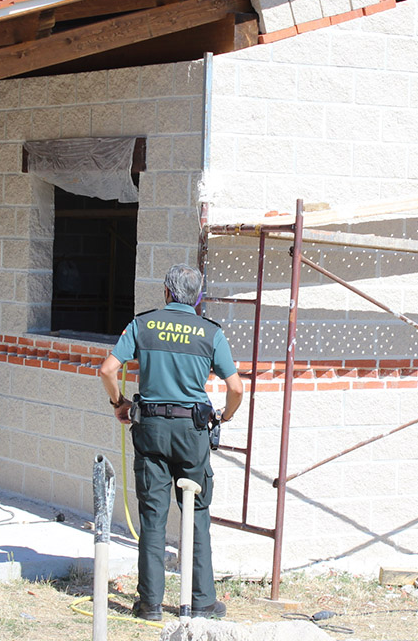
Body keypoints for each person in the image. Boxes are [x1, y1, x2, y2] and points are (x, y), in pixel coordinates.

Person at [100, 264, 244, 621]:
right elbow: (237, 388)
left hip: (150, 429)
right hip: (192, 432)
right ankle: (203, 602)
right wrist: (224, 417)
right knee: (196, 514)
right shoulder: (211, 333)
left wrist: (119, 403)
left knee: (153, 516)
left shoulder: (143, 325)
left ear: (166, 292)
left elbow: (107, 370)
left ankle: (150, 605)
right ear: (198, 298)